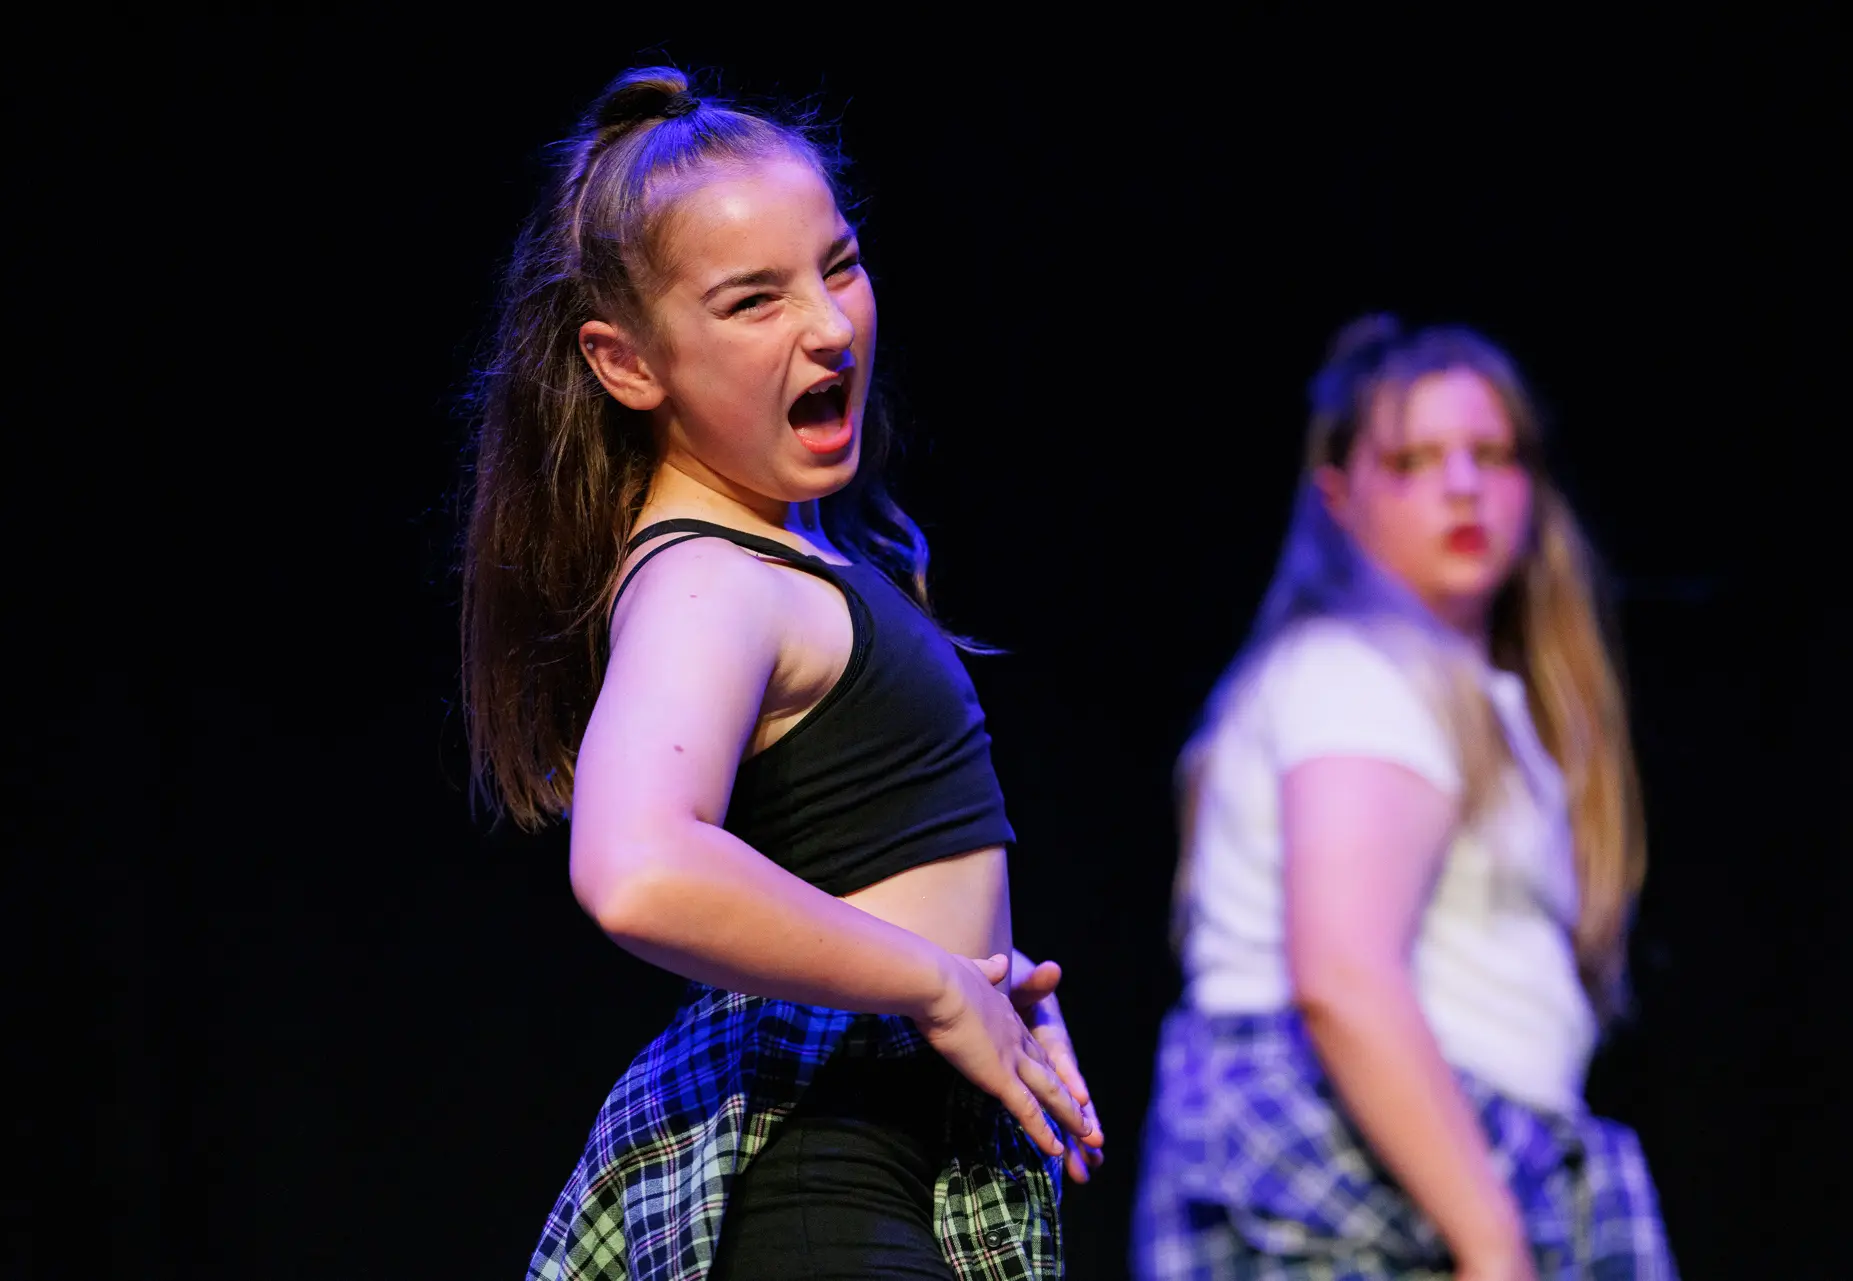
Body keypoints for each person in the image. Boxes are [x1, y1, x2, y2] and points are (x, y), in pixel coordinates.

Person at [460, 66, 1102, 1281]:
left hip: (885, 1177)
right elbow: (636, 867)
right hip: (823, 1196)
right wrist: (932, 984)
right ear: (627, 362)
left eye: (840, 265)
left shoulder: (789, 554)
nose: (830, 324)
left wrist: (981, 981)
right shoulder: (711, 581)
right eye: (754, 300)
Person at [1132, 317, 1676, 1279]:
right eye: (1416, 459)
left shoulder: (1470, 697)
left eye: (1492, 455)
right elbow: (1343, 974)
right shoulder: (1356, 673)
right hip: (1361, 1182)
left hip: (1455, 1161)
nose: (1463, 486)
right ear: (1340, 496)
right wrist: (1491, 1238)